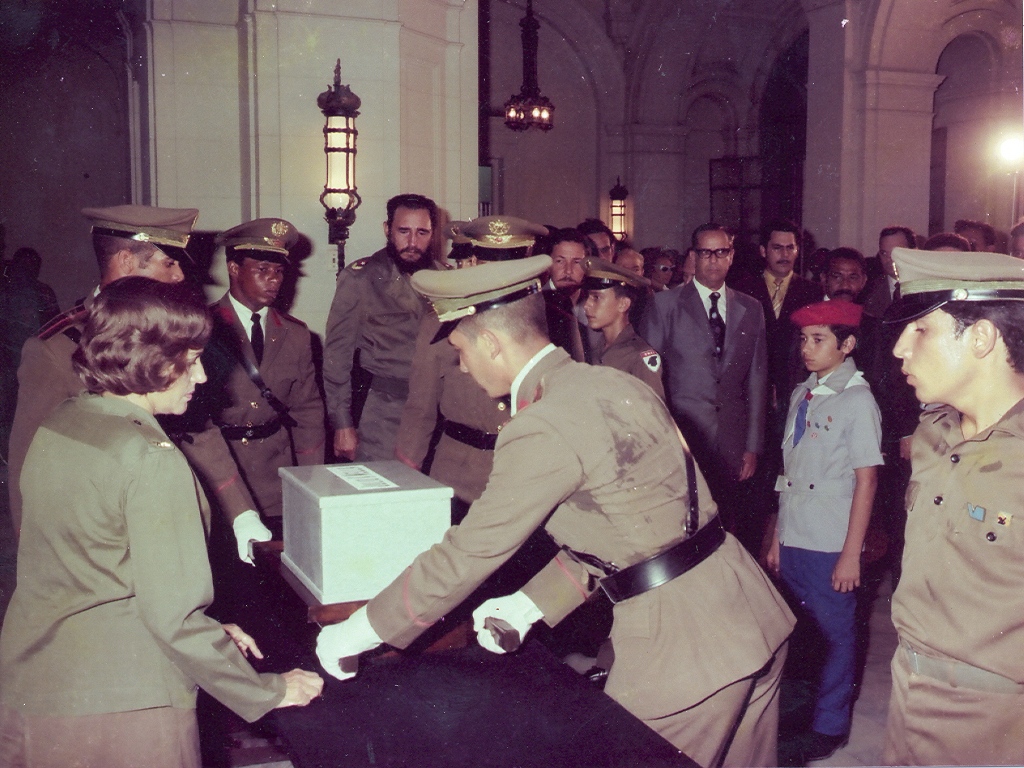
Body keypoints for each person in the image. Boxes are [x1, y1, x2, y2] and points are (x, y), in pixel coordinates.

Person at [316, 255, 795, 767]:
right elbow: (633, 530)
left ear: (491, 344)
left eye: (459, 349)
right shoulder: (615, 383)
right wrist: (529, 604)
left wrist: (361, 630)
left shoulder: (540, 424)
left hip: (684, 651)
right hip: (749, 614)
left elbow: (468, 553)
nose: (460, 366)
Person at [0, 278, 323, 768]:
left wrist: (208, 632)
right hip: (125, 701)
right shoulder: (149, 455)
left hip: (38, 683)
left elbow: (97, 564)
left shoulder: (65, 421)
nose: (200, 378)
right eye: (189, 361)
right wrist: (268, 689)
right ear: (149, 358)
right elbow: (173, 619)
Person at [6, 206, 261, 556]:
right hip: (99, 542)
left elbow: (197, 427)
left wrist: (242, 512)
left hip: (170, 524)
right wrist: (34, 553)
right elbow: (27, 463)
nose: (179, 277)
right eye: (168, 263)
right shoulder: (56, 348)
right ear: (126, 262)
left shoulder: (170, 333)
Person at [878, 247, 1024, 765]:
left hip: (996, 719)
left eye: (921, 330)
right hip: (908, 688)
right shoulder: (932, 434)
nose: (899, 348)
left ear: (982, 337)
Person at [766, 300, 882, 762]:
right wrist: (776, 535)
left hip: (831, 541)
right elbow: (788, 472)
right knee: (797, 633)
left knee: (834, 635)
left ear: (847, 345)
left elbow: (867, 479)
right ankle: (797, 716)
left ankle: (830, 724)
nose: (806, 349)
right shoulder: (803, 393)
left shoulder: (858, 400)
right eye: (803, 339)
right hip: (796, 534)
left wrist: (851, 554)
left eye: (818, 340)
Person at [179, 218, 325, 532]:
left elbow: (307, 411)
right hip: (222, 470)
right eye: (262, 270)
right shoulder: (201, 329)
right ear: (234, 269)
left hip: (278, 475)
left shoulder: (297, 336)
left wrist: (311, 482)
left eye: (279, 272)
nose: (273, 280)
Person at [642, 223, 768, 554]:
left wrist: (752, 445)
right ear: (693, 257)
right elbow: (649, 382)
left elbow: (757, 379)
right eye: (705, 252)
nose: (713, 260)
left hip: (731, 439)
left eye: (721, 252)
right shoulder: (664, 306)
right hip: (682, 437)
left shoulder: (750, 308)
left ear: (731, 256)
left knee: (728, 527)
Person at [323, 193, 438, 462]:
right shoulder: (360, 279)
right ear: (387, 230)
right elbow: (336, 359)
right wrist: (342, 424)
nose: (413, 243)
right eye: (403, 231)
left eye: (422, 232)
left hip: (435, 415)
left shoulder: (445, 279)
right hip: (383, 414)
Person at [0, 247, 60, 458]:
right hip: (8, 362)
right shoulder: (5, 289)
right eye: (24, 264)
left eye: (32, 266)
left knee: (23, 412)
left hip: (31, 363)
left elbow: (54, 326)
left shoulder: (43, 292)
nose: (27, 270)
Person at [582, 257, 664, 400]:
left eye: (596, 298)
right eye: (588, 297)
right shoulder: (596, 349)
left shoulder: (639, 356)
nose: (586, 305)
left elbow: (654, 417)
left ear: (623, 304)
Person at [863, 225, 916, 319]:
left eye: (896, 252)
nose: (889, 259)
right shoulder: (869, 290)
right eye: (884, 253)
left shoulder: (925, 286)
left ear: (913, 251)